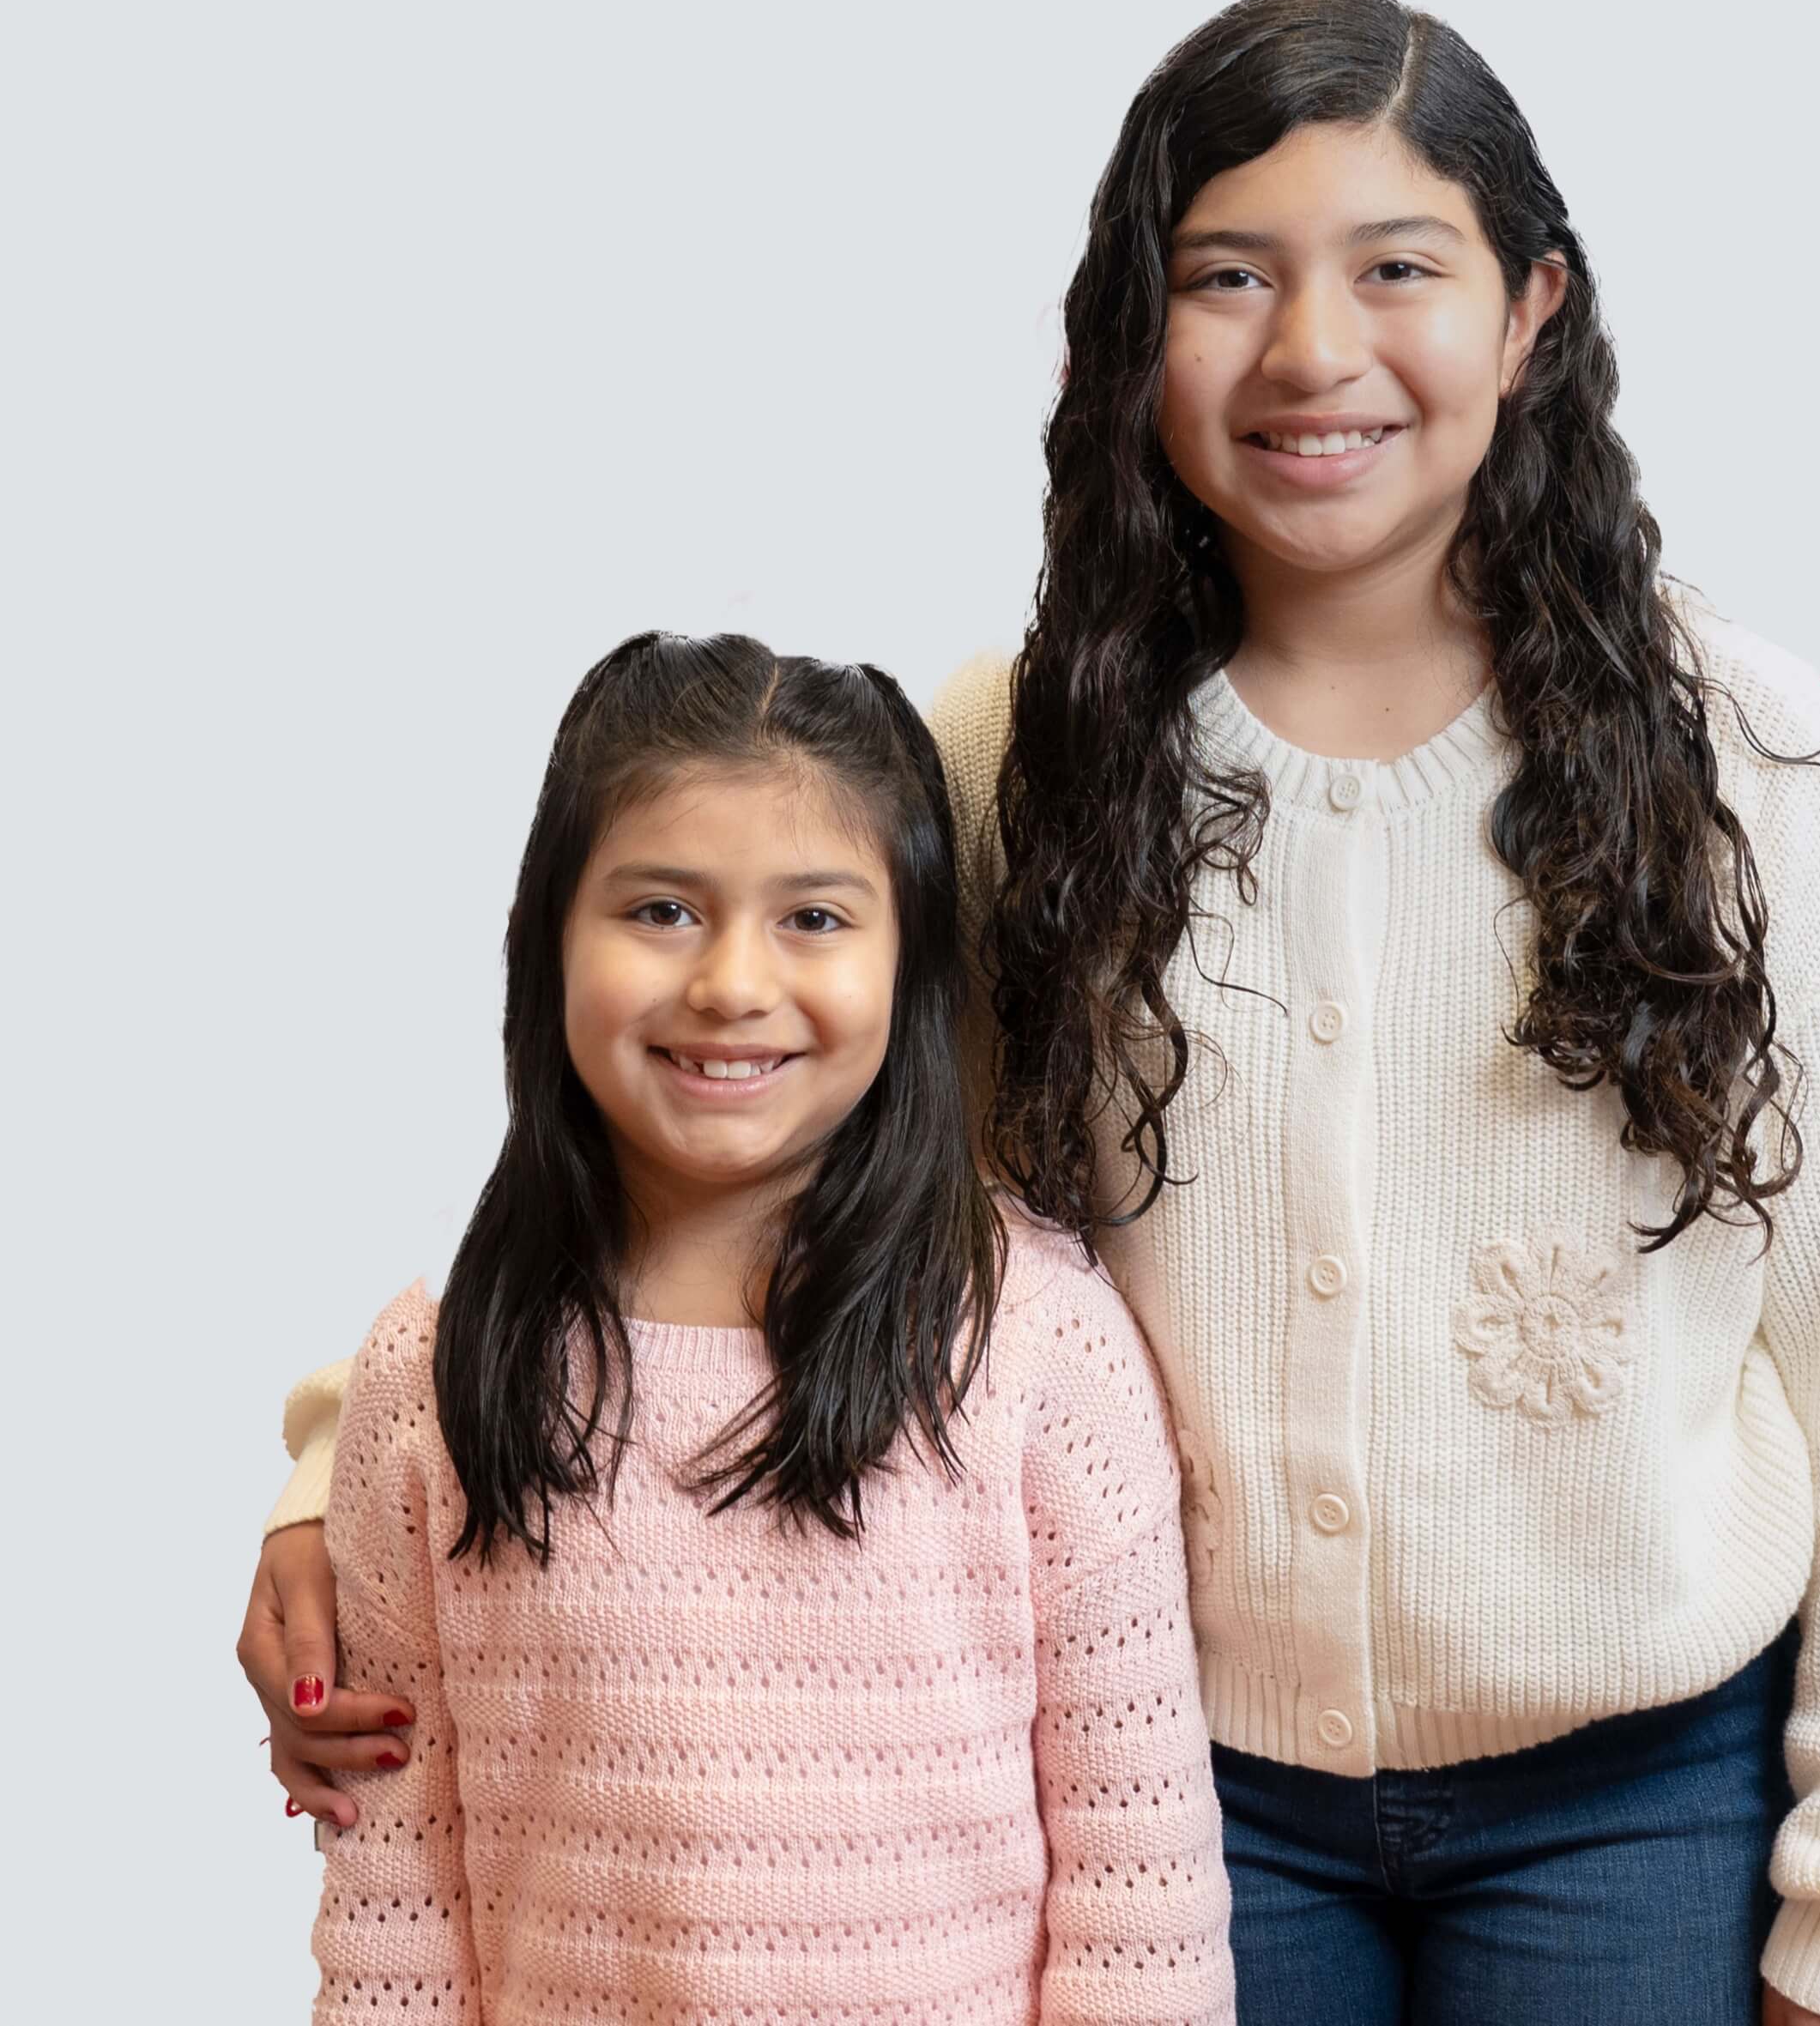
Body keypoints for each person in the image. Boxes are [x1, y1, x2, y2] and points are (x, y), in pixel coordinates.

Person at [245, 0, 1820, 2024]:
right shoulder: (1018, 757)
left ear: (1531, 309)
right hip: (1167, 1788)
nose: (1311, 351)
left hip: (1642, 1793)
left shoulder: (1751, 767)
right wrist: (339, 1475)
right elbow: (707, 1140)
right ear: (1129, 333)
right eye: (1226, 276)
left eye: (1396, 269)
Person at [286, 631, 1232, 2023]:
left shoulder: (1040, 1351)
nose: (731, 981)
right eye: (662, 908)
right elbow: (396, 1916)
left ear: (913, 964)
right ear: (545, 938)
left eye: (815, 917)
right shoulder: (432, 1382)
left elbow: (1138, 1905)